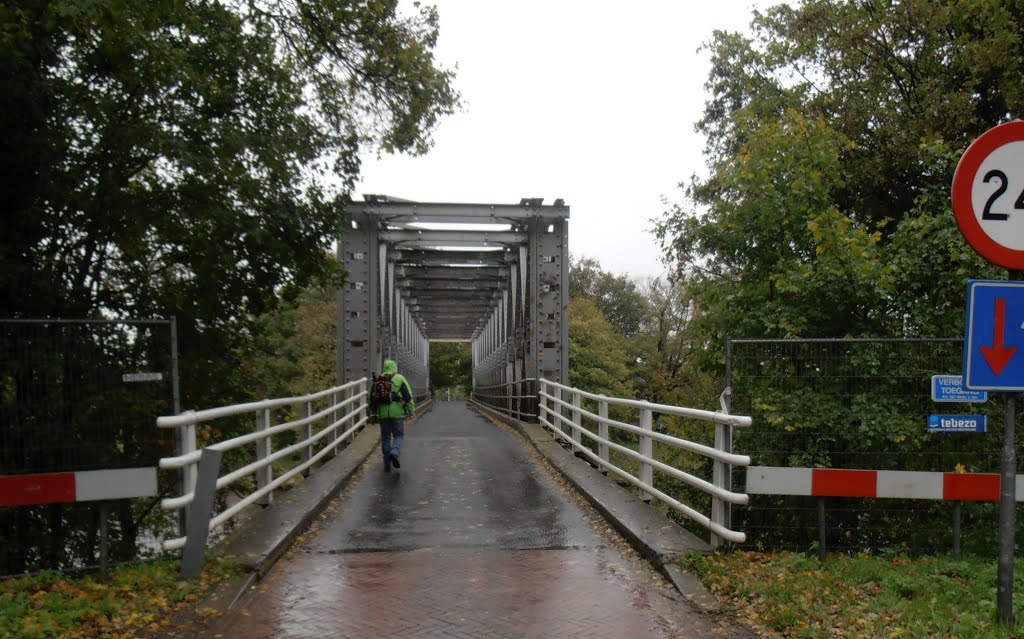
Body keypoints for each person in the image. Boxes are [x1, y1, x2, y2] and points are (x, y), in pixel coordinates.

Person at [371, 358, 414, 473]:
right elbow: (408, 397)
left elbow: (372, 399)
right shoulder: (399, 378)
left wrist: (374, 414)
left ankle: (387, 463)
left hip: (383, 414)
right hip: (397, 413)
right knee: (398, 435)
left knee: (385, 438)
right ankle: (394, 452)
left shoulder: (378, 380)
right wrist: (411, 411)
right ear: (395, 368)